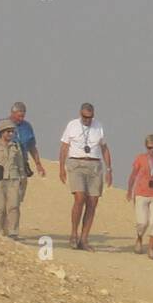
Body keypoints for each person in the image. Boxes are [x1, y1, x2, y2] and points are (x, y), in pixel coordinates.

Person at [58, 103, 112, 251]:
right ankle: (73, 234)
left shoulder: (98, 126)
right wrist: (61, 168)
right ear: (80, 114)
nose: (87, 120)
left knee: (93, 202)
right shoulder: (72, 125)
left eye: (90, 117)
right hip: (76, 163)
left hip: (94, 165)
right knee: (79, 198)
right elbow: (64, 147)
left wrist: (109, 169)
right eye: (85, 117)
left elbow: (104, 148)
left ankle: (84, 238)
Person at [0, 102, 47, 207]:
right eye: (19, 116)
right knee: (1, 201)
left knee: (15, 201)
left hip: (20, 166)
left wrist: (38, 164)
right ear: (12, 113)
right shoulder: (1, 125)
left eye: (23, 116)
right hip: (1, 165)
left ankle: (11, 222)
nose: (20, 118)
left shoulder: (27, 127)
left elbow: (32, 147)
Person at [126, 134, 153, 260]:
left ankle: (151, 248)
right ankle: (139, 239)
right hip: (140, 194)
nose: (152, 150)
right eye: (150, 148)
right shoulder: (140, 159)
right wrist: (129, 190)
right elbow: (133, 175)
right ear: (146, 147)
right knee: (142, 222)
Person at [0, 120, 26, 237]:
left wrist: (23, 178)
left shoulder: (16, 146)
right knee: (0, 206)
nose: (10, 134)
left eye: (12, 132)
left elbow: (20, 163)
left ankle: (13, 232)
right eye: (8, 131)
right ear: (2, 132)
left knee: (14, 206)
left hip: (13, 179)